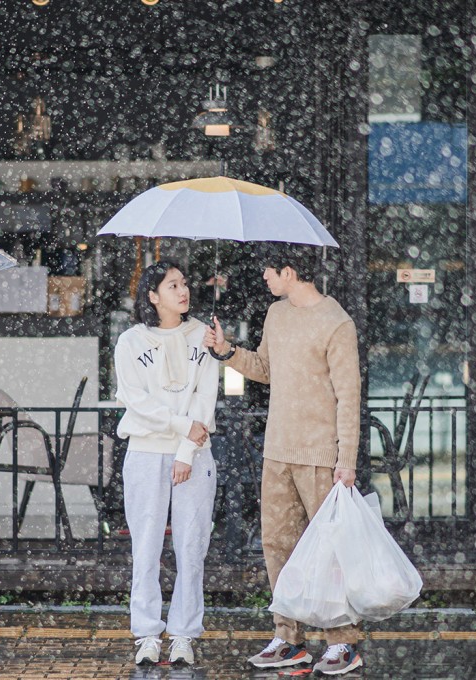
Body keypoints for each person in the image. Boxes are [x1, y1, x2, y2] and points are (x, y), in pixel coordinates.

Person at [203, 244, 364, 676]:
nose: (264, 279)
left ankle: (343, 641)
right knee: (279, 548)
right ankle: (288, 637)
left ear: (289, 272)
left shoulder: (336, 322)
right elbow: (266, 367)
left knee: (329, 551)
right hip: (277, 450)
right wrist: (226, 351)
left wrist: (345, 459)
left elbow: (349, 397)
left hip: (320, 455)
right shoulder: (277, 315)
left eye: (269, 271)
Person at [114, 260, 220, 666]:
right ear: (153, 296)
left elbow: (205, 399)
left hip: (193, 454)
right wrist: (179, 426)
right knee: (146, 545)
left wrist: (184, 453)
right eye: (172, 285)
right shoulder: (130, 341)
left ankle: (183, 633)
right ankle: (146, 632)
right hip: (143, 452)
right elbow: (135, 401)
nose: (183, 290)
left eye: (185, 283)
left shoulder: (202, 336)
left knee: (192, 545)